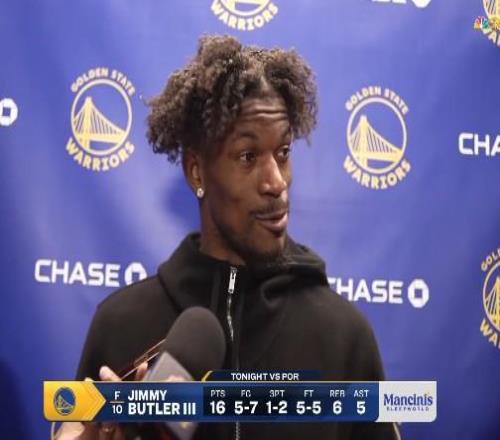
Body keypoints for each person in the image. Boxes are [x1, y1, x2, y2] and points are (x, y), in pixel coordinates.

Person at [72, 35, 399, 439]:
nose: (276, 182)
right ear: (196, 171)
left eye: (283, 153)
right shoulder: (121, 325)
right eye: (248, 157)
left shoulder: (344, 336)